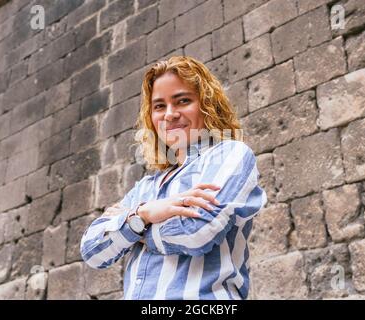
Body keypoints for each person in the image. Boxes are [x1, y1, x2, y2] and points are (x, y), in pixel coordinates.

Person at [80, 56, 267, 300]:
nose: (169, 114)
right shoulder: (145, 188)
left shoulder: (230, 155)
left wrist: (131, 225)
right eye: (159, 106)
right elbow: (92, 251)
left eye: (183, 101)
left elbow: (197, 231)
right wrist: (146, 213)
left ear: (207, 105)